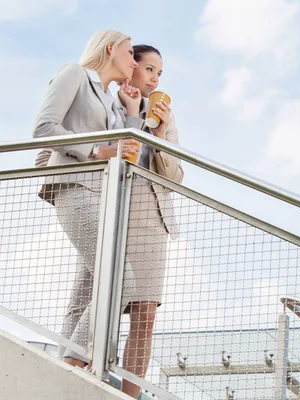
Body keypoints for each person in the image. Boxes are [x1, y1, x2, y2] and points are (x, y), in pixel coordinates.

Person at [32, 30, 145, 396]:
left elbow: (127, 152)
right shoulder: (74, 75)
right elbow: (44, 128)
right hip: (76, 187)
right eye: (130, 53)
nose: (134, 61)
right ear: (110, 48)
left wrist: (130, 112)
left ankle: (60, 373)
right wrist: (97, 150)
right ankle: (72, 364)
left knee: (85, 293)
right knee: (121, 277)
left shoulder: (112, 101)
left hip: (105, 197)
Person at [114, 44, 183, 398]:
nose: (155, 78)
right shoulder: (111, 103)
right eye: (149, 69)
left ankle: (128, 394)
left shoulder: (165, 116)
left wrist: (159, 134)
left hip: (153, 218)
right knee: (105, 302)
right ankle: (88, 372)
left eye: (160, 73)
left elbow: (176, 176)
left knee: (145, 313)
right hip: (114, 210)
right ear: (131, 67)